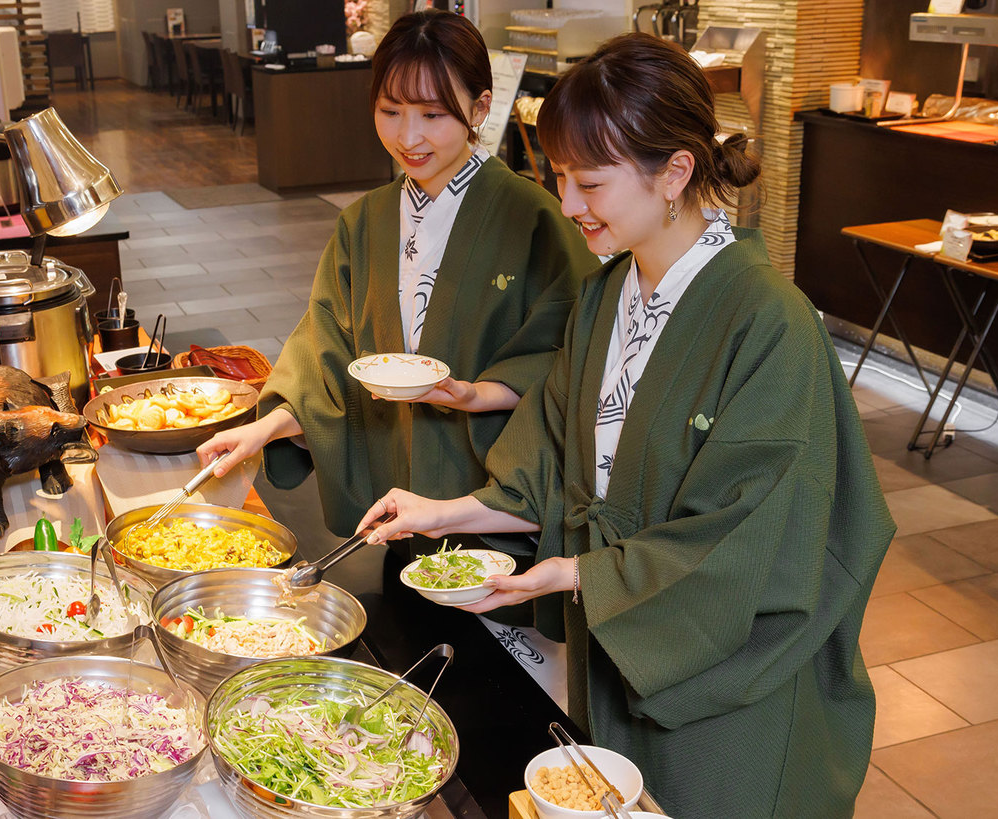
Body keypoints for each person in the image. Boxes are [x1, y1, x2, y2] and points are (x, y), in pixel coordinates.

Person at [356, 33, 893, 817]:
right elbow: (553, 466)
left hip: (722, 679)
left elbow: (752, 537)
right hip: (618, 644)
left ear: (675, 171)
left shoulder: (770, 322)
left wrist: (577, 573)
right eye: (561, 177)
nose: (568, 204)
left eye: (591, 183)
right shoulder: (608, 295)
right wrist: (443, 514)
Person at [197, 11, 593, 555]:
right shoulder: (363, 223)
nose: (409, 136)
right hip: (392, 502)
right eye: (390, 111)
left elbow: (573, 353)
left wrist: (480, 394)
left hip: (491, 504)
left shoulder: (534, 219)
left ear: (480, 107)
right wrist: (265, 429)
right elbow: (326, 351)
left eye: (433, 114)